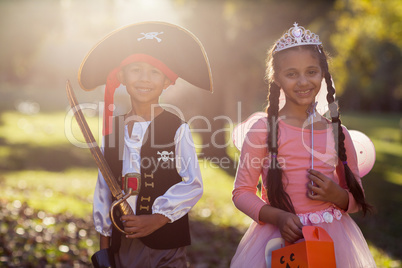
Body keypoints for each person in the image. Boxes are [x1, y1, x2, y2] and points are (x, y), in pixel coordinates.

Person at [230, 23, 376, 268]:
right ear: (276, 78)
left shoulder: (337, 133)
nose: (303, 81)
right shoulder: (263, 131)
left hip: (332, 238)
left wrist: (338, 195)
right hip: (278, 237)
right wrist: (278, 217)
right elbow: (241, 192)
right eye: (291, 74)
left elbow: (357, 200)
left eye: (311, 71)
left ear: (323, 74)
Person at [77, 22, 213, 267]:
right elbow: (103, 189)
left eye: (154, 72)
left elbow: (192, 183)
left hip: (166, 245)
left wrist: (158, 217)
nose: (144, 79)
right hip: (124, 244)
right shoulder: (114, 129)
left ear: (167, 81)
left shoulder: (176, 127)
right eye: (136, 70)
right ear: (121, 76)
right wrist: (105, 249)